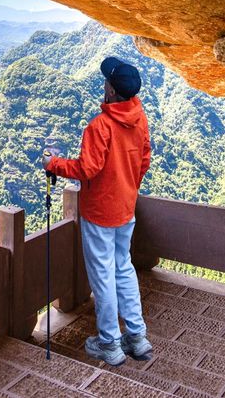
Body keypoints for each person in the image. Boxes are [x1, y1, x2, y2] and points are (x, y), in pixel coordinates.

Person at [42, 55, 152, 367]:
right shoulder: (140, 118)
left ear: (112, 91)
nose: (103, 84)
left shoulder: (100, 126)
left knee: (103, 277)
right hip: (125, 209)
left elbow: (87, 169)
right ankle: (137, 337)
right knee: (124, 268)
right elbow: (144, 160)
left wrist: (53, 164)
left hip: (100, 213)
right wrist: (127, 186)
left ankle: (109, 344)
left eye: (106, 81)